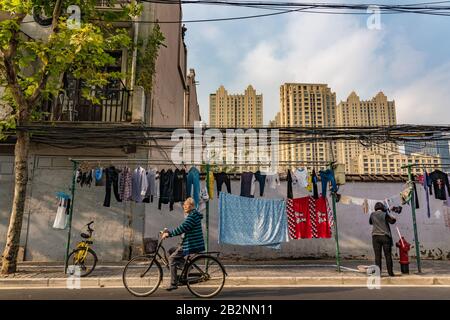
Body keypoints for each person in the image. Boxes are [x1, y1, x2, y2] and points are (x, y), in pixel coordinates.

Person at [161, 197, 205, 291]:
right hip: (189, 241)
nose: (184, 206)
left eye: (186, 205)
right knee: (171, 251)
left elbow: (183, 228)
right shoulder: (192, 215)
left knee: (172, 259)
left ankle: (173, 283)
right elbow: (183, 228)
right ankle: (187, 267)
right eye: (184, 205)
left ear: (192, 206)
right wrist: (169, 231)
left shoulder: (192, 216)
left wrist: (169, 234)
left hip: (191, 243)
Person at [369, 202, 397, 277]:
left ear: (375, 208)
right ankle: (390, 273)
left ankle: (378, 274)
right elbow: (392, 221)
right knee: (388, 255)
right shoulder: (385, 214)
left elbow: (370, 222)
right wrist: (394, 218)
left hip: (375, 237)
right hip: (385, 236)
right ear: (382, 208)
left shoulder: (372, 214)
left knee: (377, 256)